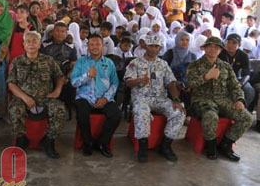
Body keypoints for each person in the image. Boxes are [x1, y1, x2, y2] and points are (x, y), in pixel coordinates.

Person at [186, 36, 254, 161]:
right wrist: (206, 77)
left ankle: (226, 144)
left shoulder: (225, 66)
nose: (213, 49)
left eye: (216, 47)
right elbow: (189, 84)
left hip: (223, 100)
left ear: (220, 50)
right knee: (211, 116)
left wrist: (240, 99)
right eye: (210, 46)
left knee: (246, 117)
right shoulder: (194, 65)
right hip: (202, 100)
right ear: (204, 48)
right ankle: (211, 146)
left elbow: (235, 86)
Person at [124, 35, 186, 163]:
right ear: (145, 46)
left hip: (160, 98)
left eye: (156, 46)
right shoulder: (135, 63)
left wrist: (176, 99)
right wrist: (139, 80)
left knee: (179, 112)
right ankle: (142, 146)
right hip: (141, 98)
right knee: (142, 112)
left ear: (160, 48)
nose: (153, 48)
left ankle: (165, 146)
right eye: (151, 45)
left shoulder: (163, 64)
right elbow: (128, 83)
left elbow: (171, 83)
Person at [8, 31, 67, 158]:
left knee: (60, 110)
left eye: (34, 41)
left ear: (40, 44)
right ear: (23, 44)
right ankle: (21, 139)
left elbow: (60, 77)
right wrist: (25, 97)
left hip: (46, 97)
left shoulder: (49, 60)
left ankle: (48, 141)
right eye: (28, 41)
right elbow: (11, 84)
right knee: (14, 109)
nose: (31, 44)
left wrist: (57, 90)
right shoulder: (17, 62)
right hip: (23, 98)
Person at [70, 34, 121, 157]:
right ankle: (87, 143)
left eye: (97, 44)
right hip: (85, 97)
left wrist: (106, 98)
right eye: (91, 44)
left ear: (103, 46)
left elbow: (115, 83)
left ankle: (102, 143)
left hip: (104, 97)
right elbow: (73, 82)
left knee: (116, 115)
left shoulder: (109, 63)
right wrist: (87, 75)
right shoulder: (81, 62)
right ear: (87, 46)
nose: (95, 47)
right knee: (82, 114)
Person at [218, 34, 255, 109]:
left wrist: (240, 84)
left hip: (236, 79)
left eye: (234, 43)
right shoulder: (220, 53)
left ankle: (242, 110)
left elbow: (247, 74)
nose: (230, 45)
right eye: (228, 42)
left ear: (239, 45)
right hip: (220, 78)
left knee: (249, 90)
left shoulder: (243, 55)